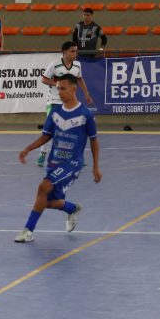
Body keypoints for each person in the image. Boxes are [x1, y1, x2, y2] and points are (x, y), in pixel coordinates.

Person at [15, 74, 102, 243]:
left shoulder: (85, 114)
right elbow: (46, 136)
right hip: (54, 163)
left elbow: (94, 141)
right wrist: (28, 149)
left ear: (73, 89)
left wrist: (95, 167)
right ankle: (73, 208)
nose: (59, 92)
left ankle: (28, 231)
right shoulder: (55, 113)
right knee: (49, 202)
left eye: (63, 88)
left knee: (43, 187)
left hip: (72, 164)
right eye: (57, 89)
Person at [37, 41, 93, 167]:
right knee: (50, 129)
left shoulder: (77, 65)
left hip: (70, 102)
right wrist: (57, 84)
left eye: (76, 51)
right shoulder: (55, 65)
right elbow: (44, 79)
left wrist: (86, 94)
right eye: (72, 51)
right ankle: (42, 154)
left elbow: (79, 79)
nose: (75, 54)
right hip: (54, 101)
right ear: (65, 52)